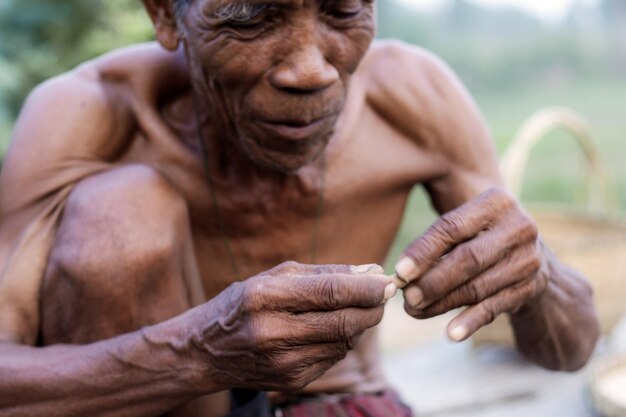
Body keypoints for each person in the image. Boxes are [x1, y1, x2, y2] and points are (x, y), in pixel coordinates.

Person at [0, 0, 600, 416]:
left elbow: (569, 351)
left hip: (343, 402)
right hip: (162, 406)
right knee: (121, 211)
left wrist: (537, 272)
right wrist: (200, 352)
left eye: (343, 11)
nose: (311, 70)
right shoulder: (89, 113)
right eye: (252, 17)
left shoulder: (413, 98)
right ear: (164, 13)